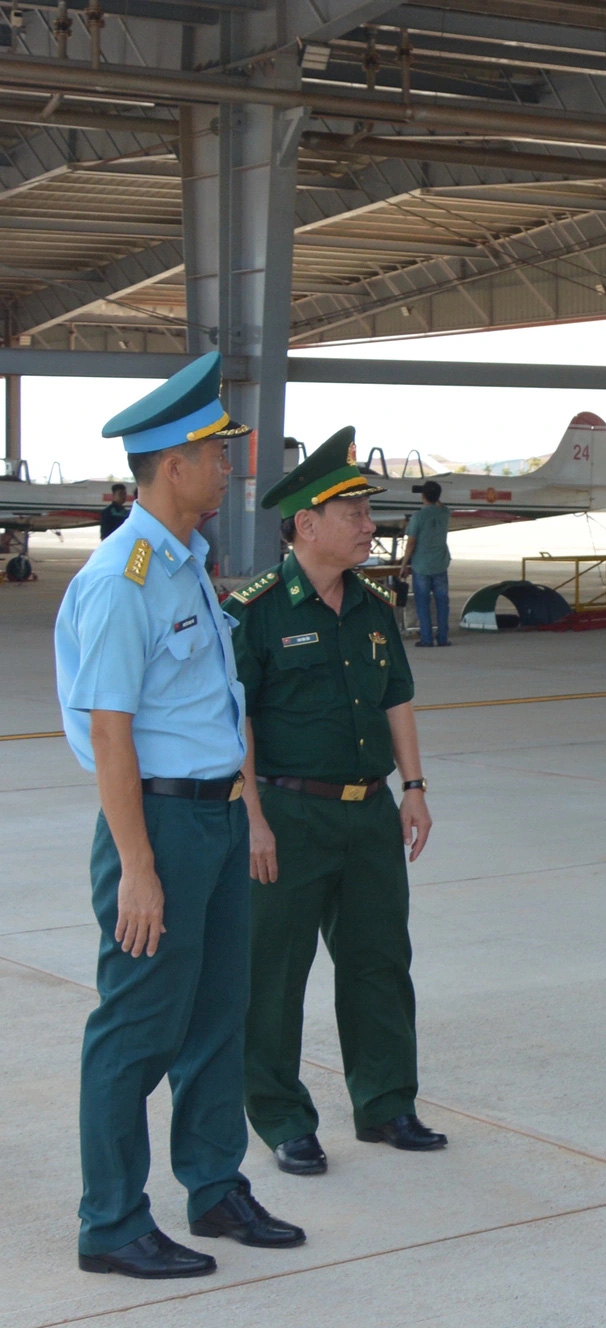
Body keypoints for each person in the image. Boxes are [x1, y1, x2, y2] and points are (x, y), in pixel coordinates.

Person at [54, 351, 304, 1280]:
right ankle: (112, 1219)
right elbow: (111, 736)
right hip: (154, 828)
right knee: (137, 1027)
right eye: (216, 449)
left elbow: (213, 705)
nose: (231, 463)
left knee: (216, 1015)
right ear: (170, 463)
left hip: (216, 818)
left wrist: (247, 816)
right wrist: (140, 866)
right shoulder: (125, 575)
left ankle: (213, 1184)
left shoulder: (187, 563)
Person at [227, 428, 444, 1179]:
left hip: (368, 810)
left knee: (380, 958)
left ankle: (386, 1102)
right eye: (351, 510)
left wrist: (412, 788)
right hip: (289, 813)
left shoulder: (374, 606)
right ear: (306, 524)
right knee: (276, 970)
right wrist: (250, 815)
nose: (368, 523)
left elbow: (397, 700)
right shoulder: (256, 610)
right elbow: (239, 722)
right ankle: (282, 1117)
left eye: (367, 510)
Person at [400, 480, 452, 648]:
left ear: (423, 496)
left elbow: (411, 543)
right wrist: (434, 495)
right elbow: (441, 506)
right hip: (440, 564)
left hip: (422, 565)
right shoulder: (444, 513)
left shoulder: (418, 516)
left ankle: (427, 639)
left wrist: (403, 564)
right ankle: (443, 638)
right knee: (442, 603)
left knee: (423, 604)